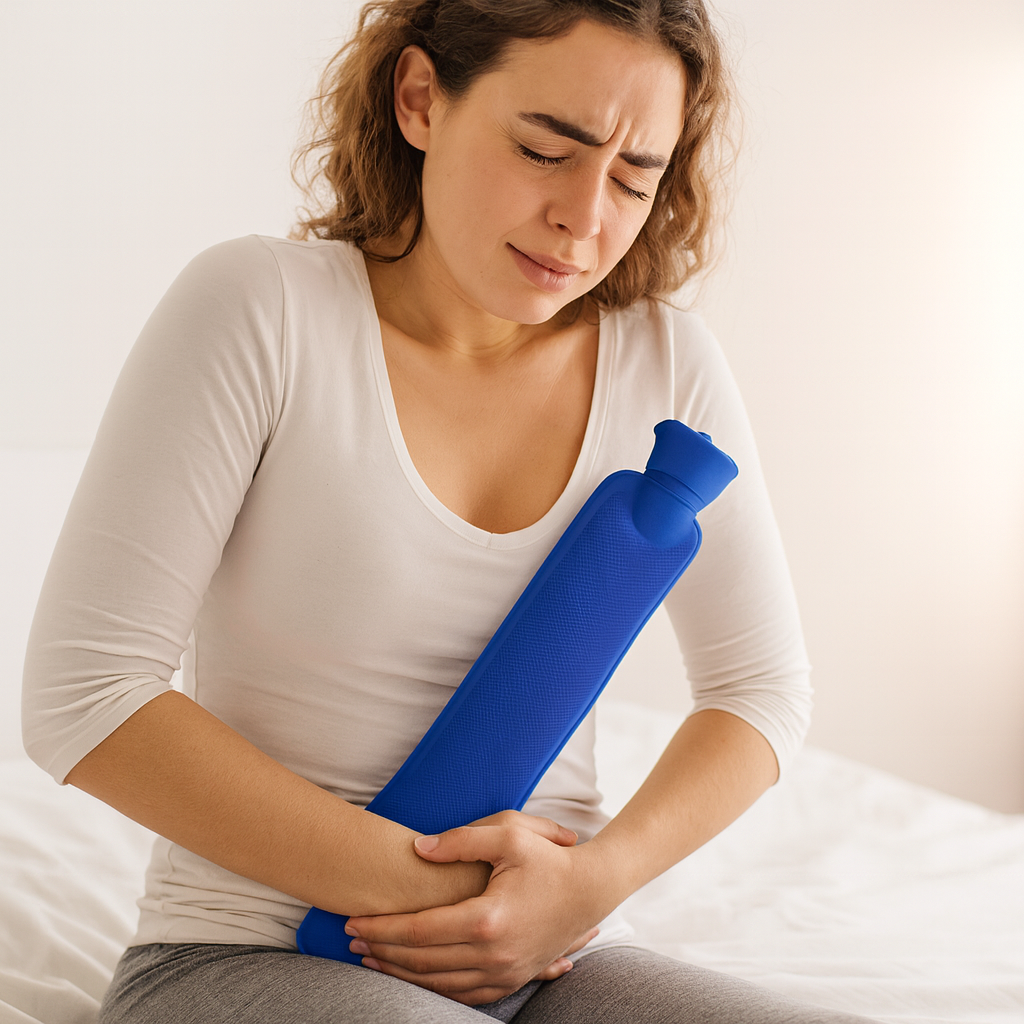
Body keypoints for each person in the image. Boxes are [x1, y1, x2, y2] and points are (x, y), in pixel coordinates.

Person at [22, 1, 878, 1021]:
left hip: (552, 961)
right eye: (544, 148)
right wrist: (450, 897)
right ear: (420, 98)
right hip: (239, 954)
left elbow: (759, 688)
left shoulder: (665, 363)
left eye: (634, 177)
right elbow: (84, 694)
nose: (585, 216)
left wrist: (587, 887)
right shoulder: (262, 309)